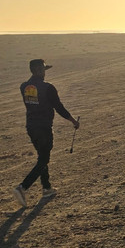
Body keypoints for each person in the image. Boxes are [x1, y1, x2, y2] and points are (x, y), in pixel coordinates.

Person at [13, 58, 79, 208]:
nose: (44, 73)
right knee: (44, 159)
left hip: (31, 127)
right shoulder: (48, 88)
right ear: (38, 71)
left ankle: (46, 188)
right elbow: (59, 107)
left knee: (41, 156)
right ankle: (22, 188)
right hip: (43, 127)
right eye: (43, 70)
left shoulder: (23, 86)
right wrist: (74, 121)